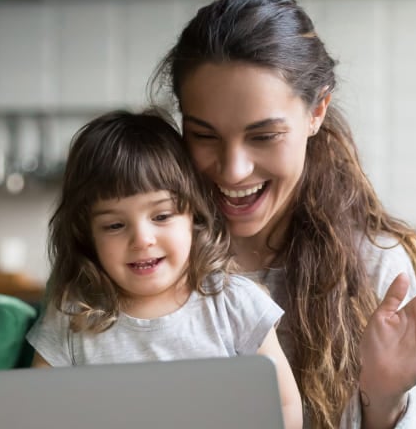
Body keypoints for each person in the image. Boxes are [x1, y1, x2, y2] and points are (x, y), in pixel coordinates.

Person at [150, 0, 416, 428]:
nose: (234, 170)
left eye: (263, 136)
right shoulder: (147, 254)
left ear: (317, 111)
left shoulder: (374, 265)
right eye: (204, 135)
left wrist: (385, 398)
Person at [26, 110, 304, 429]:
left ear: (193, 217)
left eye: (161, 217)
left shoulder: (234, 303)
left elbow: (283, 402)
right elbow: (39, 412)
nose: (142, 240)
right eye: (115, 225)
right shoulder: (72, 317)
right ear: (87, 235)